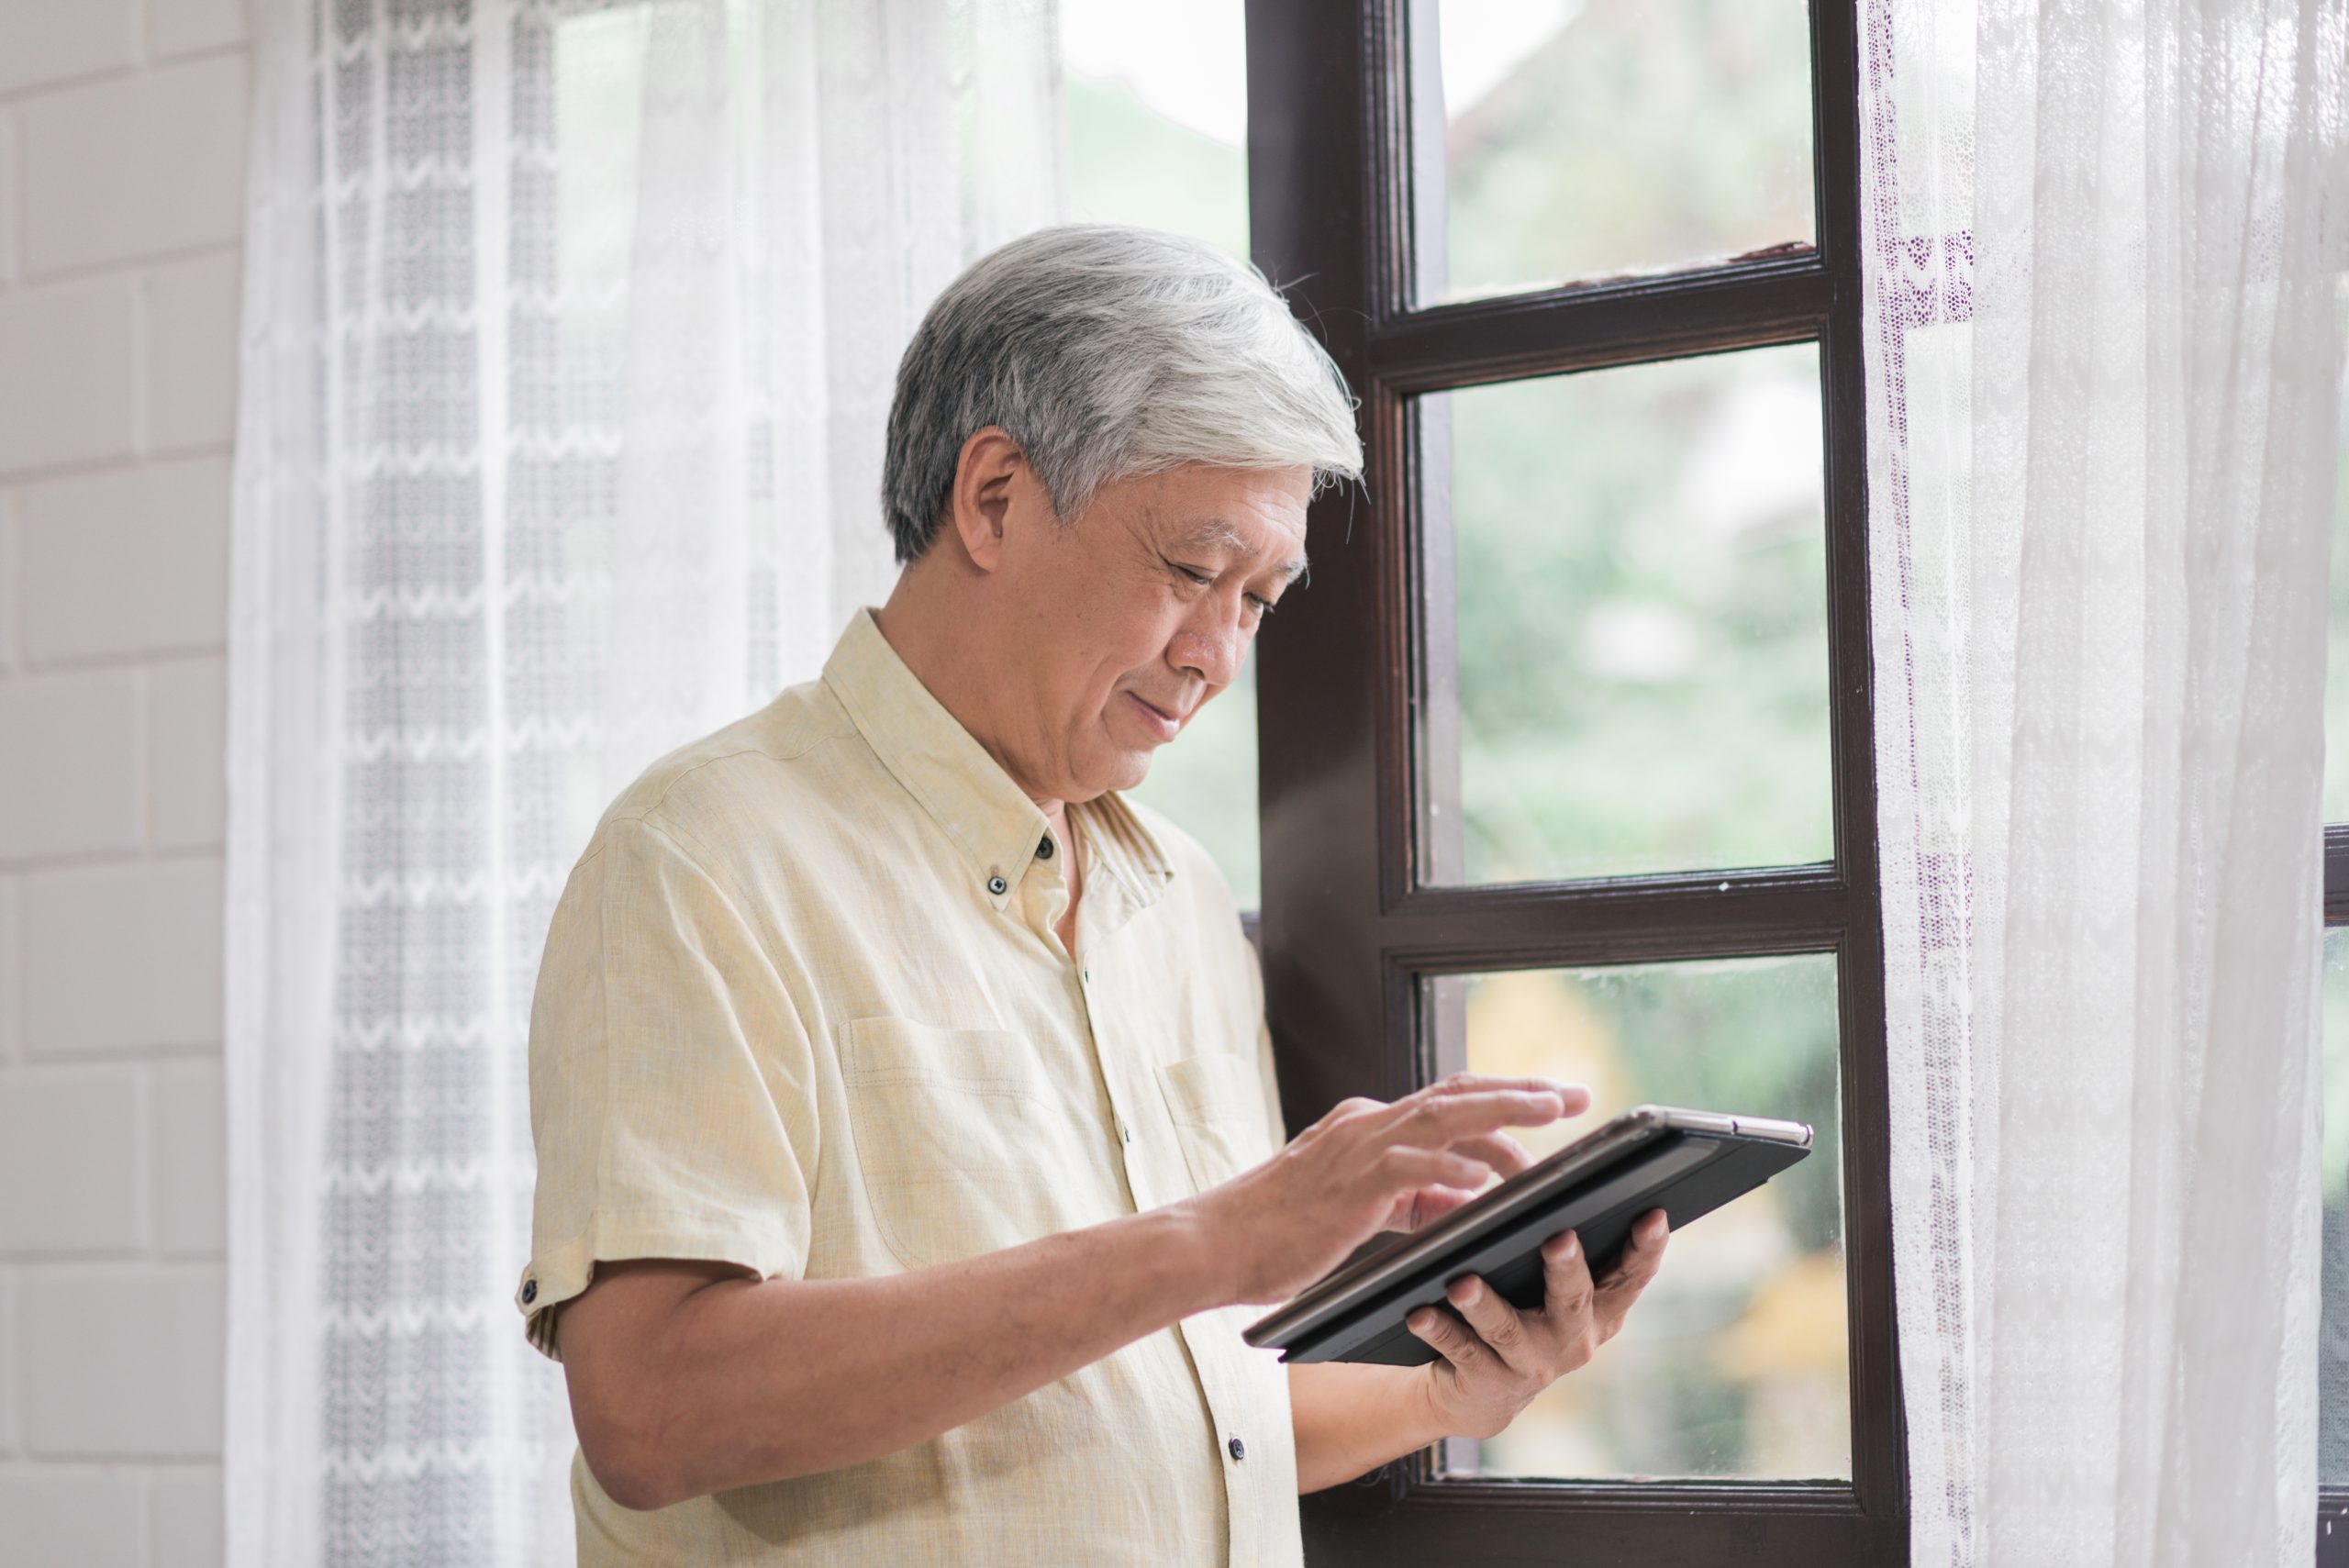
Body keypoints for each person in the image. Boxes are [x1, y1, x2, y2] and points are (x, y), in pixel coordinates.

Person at [515, 223, 1670, 1565]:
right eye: (1192, 571)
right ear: (994, 497)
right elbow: (652, 1409)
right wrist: (1215, 1241)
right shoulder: (701, 858)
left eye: (1259, 598)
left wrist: (1451, 1390)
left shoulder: (1177, 897)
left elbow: (1176, 1417)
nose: (1217, 656)